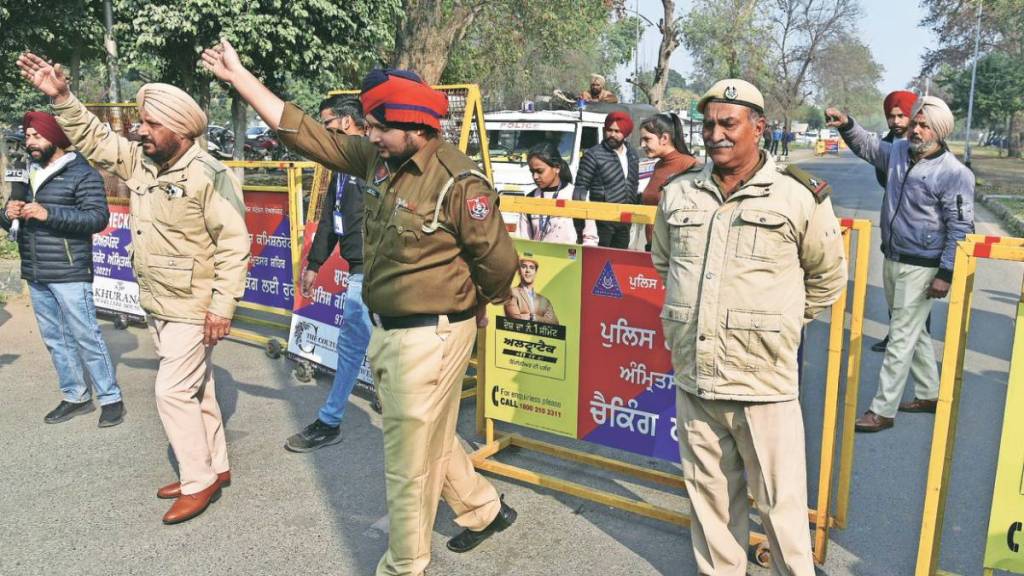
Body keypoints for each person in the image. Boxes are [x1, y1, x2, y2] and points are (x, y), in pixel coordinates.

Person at [201, 39, 519, 576]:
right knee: (429, 437)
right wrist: (241, 79)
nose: (366, 133)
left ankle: (405, 564)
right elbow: (306, 133)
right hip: (390, 328)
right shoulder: (377, 156)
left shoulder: (459, 182)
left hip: (432, 336)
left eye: (377, 126)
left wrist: (477, 306)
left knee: (407, 463)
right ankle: (484, 510)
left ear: (415, 127)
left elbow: (498, 264)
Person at [18, 53, 250, 524]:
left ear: (180, 130)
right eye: (140, 122)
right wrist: (62, 99)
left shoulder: (211, 176)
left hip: (193, 303)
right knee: (198, 387)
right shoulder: (142, 162)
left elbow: (233, 244)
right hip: (158, 299)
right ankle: (214, 466)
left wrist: (222, 308)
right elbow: (95, 138)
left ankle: (197, 481)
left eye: (149, 123)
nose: (138, 130)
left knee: (170, 391)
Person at [652, 78, 846, 576]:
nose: (715, 134)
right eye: (709, 123)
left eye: (728, 123)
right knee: (711, 503)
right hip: (698, 380)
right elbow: (664, 263)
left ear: (758, 127)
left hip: (765, 385)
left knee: (781, 508)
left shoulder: (798, 195)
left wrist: (777, 325)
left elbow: (827, 277)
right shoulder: (679, 193)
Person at [827, 96, 975, 433]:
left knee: (901, 337)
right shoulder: (896, 152)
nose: (915, 129)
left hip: (923, 267)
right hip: (893, 256)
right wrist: (847, 123)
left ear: (939, 132)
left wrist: (946, 273)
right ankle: (929, 393)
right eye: (915, 122)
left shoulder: (955, 174)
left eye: (924, 125)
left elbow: (961, 228)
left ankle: (882, 410)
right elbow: (867, 146)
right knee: (913, 329)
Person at [0, 111, 124, 427]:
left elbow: (97, 219)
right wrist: (8, 212)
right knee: (56, 339)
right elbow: (13, 224)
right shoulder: (27, 173)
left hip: (70, 270)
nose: (30, 143)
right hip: (36, 269)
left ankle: (110, 398)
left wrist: (48, 213)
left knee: (85, 335)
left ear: (55, 137)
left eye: (36, 136)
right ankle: (75, 395)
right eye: (27, 137)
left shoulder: (82, 173)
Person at [285, 96, 373, 453]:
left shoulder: (373, 159)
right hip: (358, 268)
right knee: (358, 344)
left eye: (327, 124)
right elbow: (329, 218)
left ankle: (330, 419)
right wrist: (314, 265)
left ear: (347, 123)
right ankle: (332, 418)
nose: (324, 132)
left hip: (376, 270)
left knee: (358, 344)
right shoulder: (340, 166)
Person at [870, 90, 928, 353]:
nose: (896, 121)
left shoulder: (926, 142)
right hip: (894, 229)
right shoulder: (886, 144)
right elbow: (883, 180)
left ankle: (917, 341)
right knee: (894, 293)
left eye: (901, 115)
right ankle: (896, 335)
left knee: (916, 297)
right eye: (891, 117)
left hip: (921, 233)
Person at [573, 111, 639, 248]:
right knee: (600, 264)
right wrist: (580, 227)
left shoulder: (632, 155)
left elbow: (634, 185)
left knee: (620, 263)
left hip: (624, 220)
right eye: (609, 130)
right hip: (601, 222)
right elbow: (579, 190)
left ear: (626, 133)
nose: (612, 135)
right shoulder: (593, 155)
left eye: (617, 131)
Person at [513, 141, 596, 245]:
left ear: (557, 168)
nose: (535, 177)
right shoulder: (529, 199)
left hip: (571, 260)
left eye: (540, 171)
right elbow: (523, 240)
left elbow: (590, 238)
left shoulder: (577, 196)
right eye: (532, 172)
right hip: (538, 259)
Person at [638, 113, 699, 249]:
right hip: (653, 246)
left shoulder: (689, 165)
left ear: (664, 138)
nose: (642, 145)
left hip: (675, 249)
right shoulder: (658, 165)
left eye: (647, 139)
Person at [503, 256, 558, 324]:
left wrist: (533, 317)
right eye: (524, 266)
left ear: (535, 272)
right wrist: (543, 319)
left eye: (531, 267)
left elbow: (554, 322)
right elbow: (514, 319)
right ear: (519, 271)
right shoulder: (511, 293)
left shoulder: (544, 300)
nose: (528, 270)